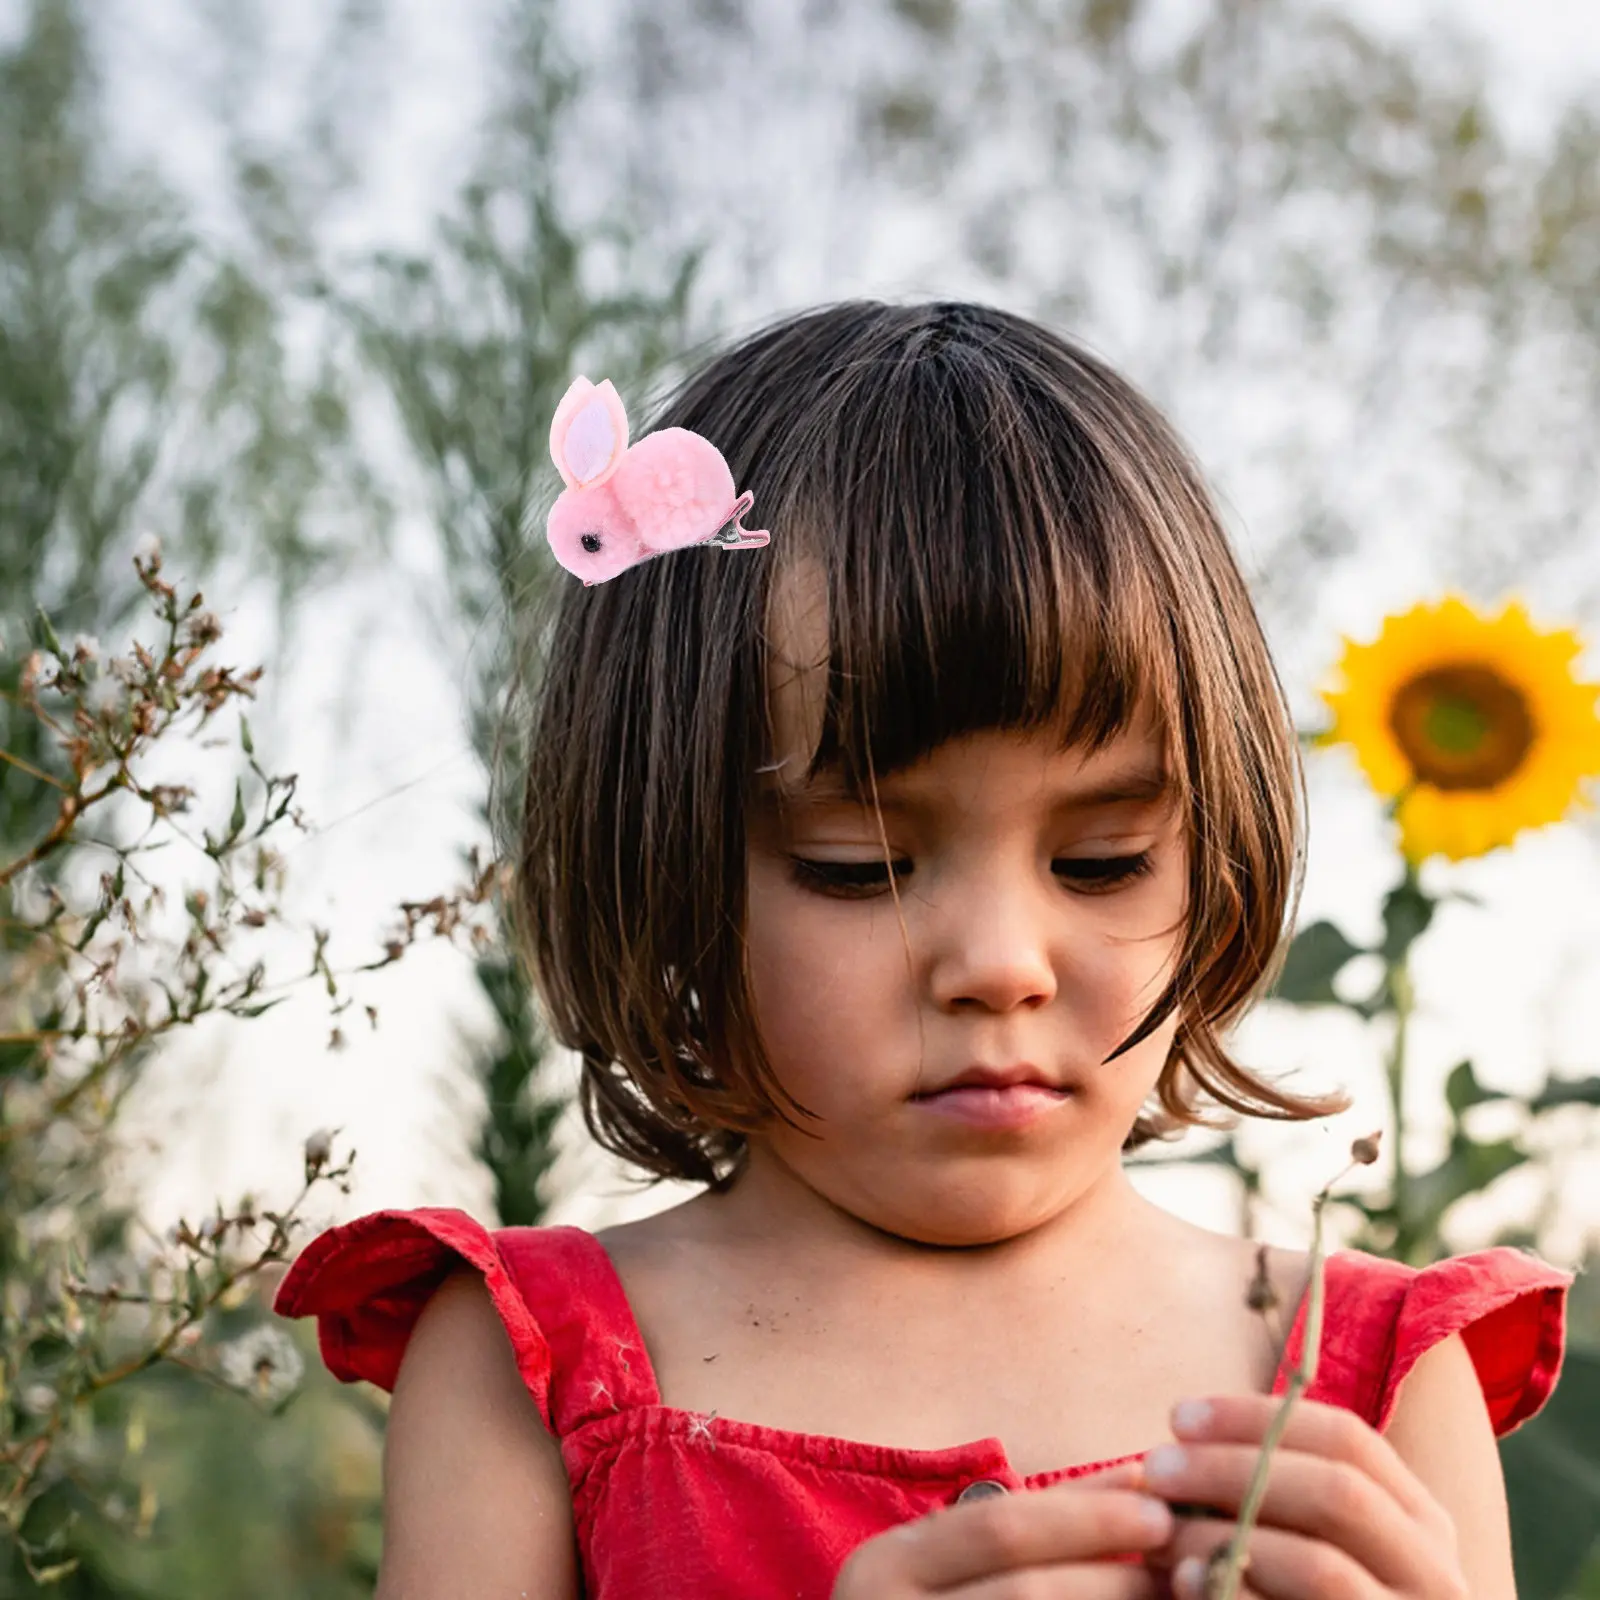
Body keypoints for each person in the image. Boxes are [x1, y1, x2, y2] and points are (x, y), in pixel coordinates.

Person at [274, 300, 1571, 1600]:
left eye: (1104, 861)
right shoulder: (528, 1370)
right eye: (861, 867)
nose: (1001, 965)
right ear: (660, 867)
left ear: (1220, 866)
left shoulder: (1375, 1389)